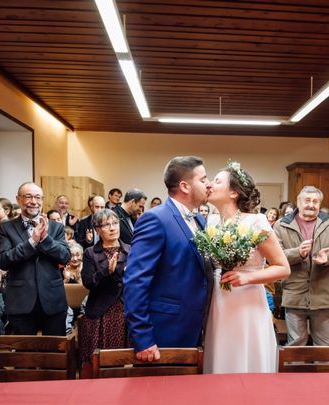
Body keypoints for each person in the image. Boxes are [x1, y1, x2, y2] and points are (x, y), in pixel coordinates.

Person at [124, 156, 212, 362]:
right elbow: (136, 280)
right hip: (165, 330)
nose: (208, 184)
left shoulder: (199, 220)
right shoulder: (155, 219)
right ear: (185, 186)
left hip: (196, 326)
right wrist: (143, 337)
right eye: (203, 179)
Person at [204, 164, 290, 373]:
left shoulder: (256, 221)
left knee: (247, 356)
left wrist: (247, 278)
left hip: (248, 299)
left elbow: (283, 268)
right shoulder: (211, 221)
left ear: (233, 192)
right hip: (220, 299)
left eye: (217, 181)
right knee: (222, 353)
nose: (209, 184)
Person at [274, 186, 329, 346]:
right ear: (298, 202)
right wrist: (298, 253)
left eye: (315, 201)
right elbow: (275, 256)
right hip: (294, 294)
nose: (311, 204)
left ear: (320, 204)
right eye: (307, 200)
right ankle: (297, 372)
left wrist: (327, 256)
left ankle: (322, 372)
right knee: (296, 345)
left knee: (325, 346)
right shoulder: (281, 225)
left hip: (324, 294)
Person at [0, 182, 71, 336]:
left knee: (55, 354)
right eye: (28, 197)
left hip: (52, 300)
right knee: (24, 354)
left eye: (37, 197)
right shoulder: (6, 228)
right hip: (20, 302)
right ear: (18, 199)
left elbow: (65, 256)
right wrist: (31, 242)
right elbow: (2, 260)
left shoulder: (56, 227)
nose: (34, 202)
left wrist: (45, 239)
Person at [80, 209, 131, 370]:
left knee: (124, 359)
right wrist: (106, 272)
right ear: (97, 229)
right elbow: (88, 282)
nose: (112, 228)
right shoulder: (90, 253)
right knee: (99, 360)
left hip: (126, 308)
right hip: (101, 311)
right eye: (107, 224)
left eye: (115, 223)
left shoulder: (130, 249)